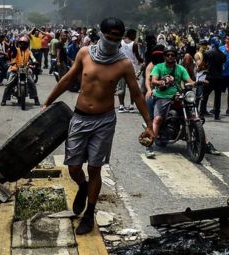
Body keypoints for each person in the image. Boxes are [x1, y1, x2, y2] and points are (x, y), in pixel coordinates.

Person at [41, 17, 154, 235]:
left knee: (94, 168)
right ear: (100, 34)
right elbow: (67, 79)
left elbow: (137, 94)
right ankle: (82, 187)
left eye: (116, 38)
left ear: (121, 39)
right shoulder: (85, 53)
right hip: (80, 117)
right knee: (73, 167)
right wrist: (48, 101)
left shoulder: (123, 64)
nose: (112, 41)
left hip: (104, 121)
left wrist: (149, 123)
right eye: (109, 36)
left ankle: (89, 214)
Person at [150, 46, 196, 151]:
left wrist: (195, 83)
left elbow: (188, 80)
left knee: (192, 115)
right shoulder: (158, 67)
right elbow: (153, 80)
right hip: (161, 97)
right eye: (168, 55)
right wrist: (161, 82)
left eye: (172, 55)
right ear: (164, 56)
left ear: (176, 57)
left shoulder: (181, 68)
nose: (170, 57)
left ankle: (205, 143)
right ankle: (149, 145)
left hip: (177, 96)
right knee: (158, 119)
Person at [1, 36, 39, 106]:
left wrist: (34, 61)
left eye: (24, 43)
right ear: (19, 44)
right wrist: (12, 61)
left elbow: (33, 58)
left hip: (25, 70)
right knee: (9, 84)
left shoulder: (29, 52)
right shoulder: (16, 50)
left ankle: (36, 99)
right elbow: (13, 55)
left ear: (27, 44)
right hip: (15, 69)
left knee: (32, 83)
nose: (22, 45)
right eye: (21, 43)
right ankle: (4, 99)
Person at [117, 29, 143, 113]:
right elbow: (138, 56)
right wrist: (143, 61)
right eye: (134, 35)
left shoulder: (120, 42)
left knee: (121, 87)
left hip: (120, 66)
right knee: (132, 87)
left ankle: (121, 105)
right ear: (131, 34)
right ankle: (131, 105)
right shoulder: (134, 44)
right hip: (131, 67)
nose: (135, 37)